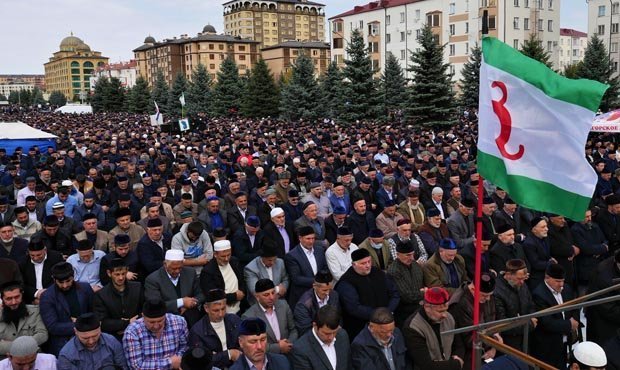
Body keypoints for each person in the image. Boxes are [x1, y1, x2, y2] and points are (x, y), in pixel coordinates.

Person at [336, 248, 400, 339]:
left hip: (387, 321)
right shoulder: (346, 282)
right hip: (361, 329)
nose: (368, 265)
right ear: (354, 264)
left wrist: (388, 311)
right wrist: (379, 316)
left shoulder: (378, 273)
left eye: (369, 261)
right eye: (363, 263)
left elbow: (394, 294)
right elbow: (354, 308)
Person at [531, 264, 580, 369]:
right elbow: (546, 322)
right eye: (558, 281)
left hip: (564, 343)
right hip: (548, 346)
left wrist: (575, 319)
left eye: (562, 280)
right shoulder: (539, 294)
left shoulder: (566, 289)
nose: (561, 284)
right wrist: (569, 324)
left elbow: (575, 307)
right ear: (547, 278)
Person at [403, 287, 465, 370]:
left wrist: (457, 358)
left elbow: (459, 345)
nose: (445, 315)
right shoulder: (413, 327)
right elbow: (425, 364)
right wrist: (456, 364)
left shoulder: (449, 318)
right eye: (440, 311)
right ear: (427, 307)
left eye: (446, 310)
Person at [39, 261, 94, 356]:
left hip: (89, 337)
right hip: (63, 342)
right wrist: (79, 324)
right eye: (61, 282)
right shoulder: (47, 296)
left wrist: (83, 323)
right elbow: (53, 327)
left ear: (73, 277)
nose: (65, 285)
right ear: (54, 280)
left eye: (68, 281)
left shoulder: (85, 288)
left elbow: (94, 312)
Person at [448, 273, 499, 370]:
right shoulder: (460, 304)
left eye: (490, 295)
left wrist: (494, 347)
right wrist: (494, 342)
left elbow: (492, 320)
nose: (488, 299)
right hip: (468, 353)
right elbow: (469, 339)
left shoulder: (486, 297)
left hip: (487, 347)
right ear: (472, 289)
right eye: (484, 295)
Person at [145, 249, 205, 327]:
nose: (177, 271)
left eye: (179, 268)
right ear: (165, 264)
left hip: (191, 316)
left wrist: (190, 303)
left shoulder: (190, 272)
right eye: (173, 268)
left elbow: (201, 294)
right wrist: (181, 302)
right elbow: (155, 305)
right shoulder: (153, 279)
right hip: (167, 320)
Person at [123, 299, 189, 370]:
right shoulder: (132, 332)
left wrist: (179, 358)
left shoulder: (179, 322)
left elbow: (185, 346)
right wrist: (170, 362)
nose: (156, 326)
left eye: (160, 321)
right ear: (143, 316)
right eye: (151, 322)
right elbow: (136, 366)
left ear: (165, 315)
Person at [189, 289, 242, 369]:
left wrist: (216, 356)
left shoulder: (234, 320)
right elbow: (201, 361)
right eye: (216, 310)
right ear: (206, 308)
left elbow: (245, 344)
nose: (220, 314)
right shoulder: (197, 331)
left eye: (223, 309)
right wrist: (229, 354)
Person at [242, 279, 298, 355]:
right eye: (266, 295)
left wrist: (287, 344)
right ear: (257, 297)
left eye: (273, 293)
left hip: (289, 351)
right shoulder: (249, 316)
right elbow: (254, 344)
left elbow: (293, 330)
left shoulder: (284, 305)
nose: (272, 297)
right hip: (267, 357)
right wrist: (279, 347)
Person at [93, 258, 143, 341]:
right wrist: (126, 323)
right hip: (114, 336)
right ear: (109, 273)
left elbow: (144, 310)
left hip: (138, 331)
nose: (121, 277)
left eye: (123, 274)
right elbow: (102, 322)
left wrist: (131, 325)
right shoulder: (101, 295)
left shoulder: (137, 287)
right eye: (117, 274)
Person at [57, 312, 127, 369]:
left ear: (100, 329)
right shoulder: (66, 355)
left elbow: (123, 367)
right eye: (85, 338)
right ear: (76, 331)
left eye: (95, 336)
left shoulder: (112, 342)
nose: (91, 341)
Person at [493, 259, 536, 352]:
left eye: (524, 278)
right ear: (508, 275)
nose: (522, 282)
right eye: (519, 279)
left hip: (525, 338)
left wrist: (532, 316)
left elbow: (531, 304)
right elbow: (502, 322)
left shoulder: (521, 285)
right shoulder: (497, 292)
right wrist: (529, 324)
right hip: (509, 342)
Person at [292, 305, 350, 370]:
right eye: (326, 333)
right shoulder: (301, 349)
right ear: (315, 326)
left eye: (334, 332)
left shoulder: (342, 335)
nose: (331, 337)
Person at [0, 281, 48, 358]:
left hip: (33, 356)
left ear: (22, 295)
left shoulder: (35, 311)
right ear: (2, 299)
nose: (14, 302)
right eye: (9, 299)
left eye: (17, 297)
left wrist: (9, 345)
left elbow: (42, 335)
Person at [284, 226, 328, 308]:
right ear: (300, 238)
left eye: (313, 238)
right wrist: (317, 282)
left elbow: (325, 268)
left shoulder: (319, 250)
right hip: (302, 295)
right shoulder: (292, 256)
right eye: (308, 239)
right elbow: (296, 278)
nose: (311, 241)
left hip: (320, 294)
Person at [200, 240, 246, 314]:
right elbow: (213, 295)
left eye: (229, 255)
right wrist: (234, 297)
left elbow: (242, 281)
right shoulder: (208, 271)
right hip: (220, 313)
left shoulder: (234, 262)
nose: (226, 259)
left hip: (239, 309)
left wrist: (242, 292)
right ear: (215, 254)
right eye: (223, 256)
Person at [387, 240, 425, 326]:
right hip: (405, 312)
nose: (411, 258)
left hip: (420, 305)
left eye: (412, 254)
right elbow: (406, 296)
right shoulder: (394, 271)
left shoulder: (415, 265)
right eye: (408, 255)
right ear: (398, 255)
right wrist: (423, 293)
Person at [19, 239, 64, 304]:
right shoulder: (23, 262)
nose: (36, 258)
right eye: (32, 255)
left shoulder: (56, 257)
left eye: (39, 255)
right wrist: (36, 294)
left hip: (54, 296)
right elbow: (21, 283)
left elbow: (60, 277)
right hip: (32, 300)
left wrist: (46, 293)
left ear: (45, 250)